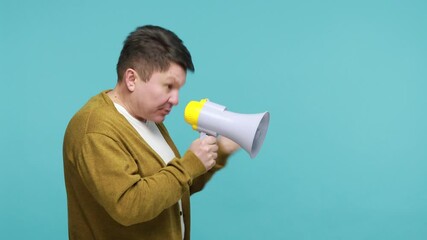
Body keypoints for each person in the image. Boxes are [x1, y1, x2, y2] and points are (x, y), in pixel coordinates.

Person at [63, 25, 239, 240]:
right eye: (168, 86)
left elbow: (172, 189)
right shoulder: (96, 131)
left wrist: (219, 151)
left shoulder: (146, 117)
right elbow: (129, 206)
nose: (175, 99)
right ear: (132, 79)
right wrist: (189, 165)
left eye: (178, 89)